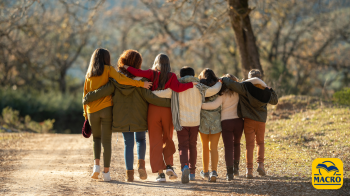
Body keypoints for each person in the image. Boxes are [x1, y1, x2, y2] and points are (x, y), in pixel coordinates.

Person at [83, 50, 171, 182]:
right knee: (141, 140)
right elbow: (151, 97)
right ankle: (141, 164)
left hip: (122, 117)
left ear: (123, 62)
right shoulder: (143, 81)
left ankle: (129, 173)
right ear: (138, 63)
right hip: (140, 116)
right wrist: (169, 102)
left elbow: (104, 91)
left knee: (128, 143)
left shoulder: (115, 80)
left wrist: (88, 97)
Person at [123, 53, 196, 182]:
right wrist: (191, 85)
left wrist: (125, 66)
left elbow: (137, 71)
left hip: (153, 111)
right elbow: (178, 88)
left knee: (155, 141)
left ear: (157, 63)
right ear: (168, 64)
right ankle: (169, 165)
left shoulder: (152, 74)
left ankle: (160, 173)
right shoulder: (172, 76)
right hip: (167, 111)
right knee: (167, 137)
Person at [152, 66, 222, 183]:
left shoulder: (176, 87)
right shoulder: (199, 87)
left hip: (182, 122)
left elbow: (162, 94)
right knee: (192, 145)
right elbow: (214, 90)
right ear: (193, 75)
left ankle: (184, 166)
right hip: (195, 121)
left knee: (183, 146)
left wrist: (151, 91)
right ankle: (192, 173)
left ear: (180, 76)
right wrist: (220, 83)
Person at [202, 74, 267, 181]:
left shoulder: (222, 94)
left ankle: (229, 173)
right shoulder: (239, 92)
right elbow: (255, 79)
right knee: (237, 144)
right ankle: (236, 168)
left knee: (228, 147)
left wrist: (200, 106)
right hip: (238, 122)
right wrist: (266, 86)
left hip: (226, 122)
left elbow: (213, 105)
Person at [221, 69, 278, 179]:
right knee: (260, 143)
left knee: (249, 145)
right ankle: (260, 164)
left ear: (249, 78)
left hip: (248, 121)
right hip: (261, 121)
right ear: (260, 78)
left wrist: (223, 78)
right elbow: (275, 101)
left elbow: (231, 83)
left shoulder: (244, 87)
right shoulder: (264, 89)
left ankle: (249, 170)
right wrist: (271, 90)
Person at [197, 68, 222, 182]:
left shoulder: (200, 87)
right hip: (216, 121)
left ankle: (206, 171)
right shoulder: (218, 87)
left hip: (203, 121)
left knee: (205, 147)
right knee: (214, 148)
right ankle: (214, 172)